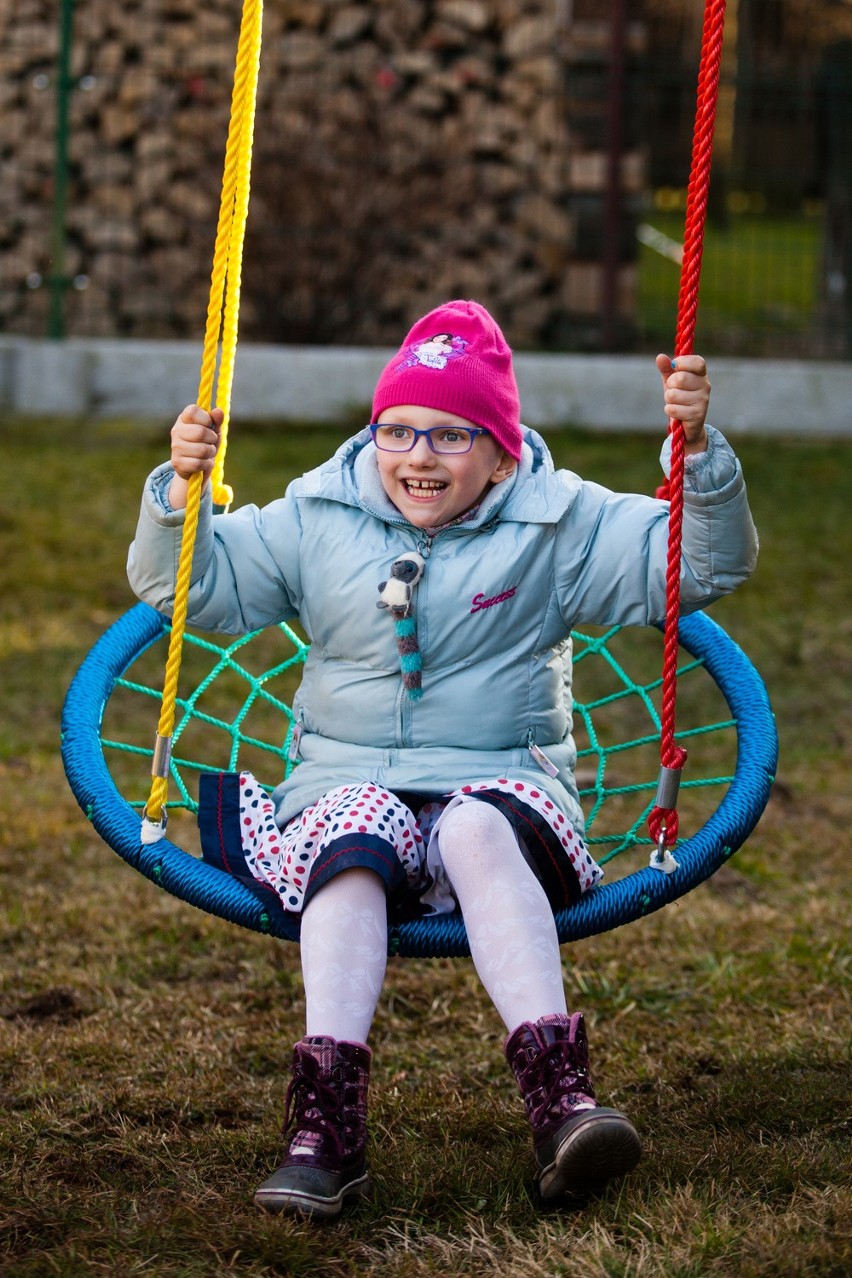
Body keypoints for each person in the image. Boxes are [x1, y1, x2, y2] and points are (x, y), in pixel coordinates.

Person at [128, 299, 758, 1220]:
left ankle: (560, 1097)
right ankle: (326, 1124)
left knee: (471, 825)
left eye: (452, 436)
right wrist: (181, 498)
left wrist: (697, 462)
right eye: (399, 430)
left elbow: (697, 566)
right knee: (349, 839)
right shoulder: (320, 513)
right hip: (347, 781)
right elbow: (196, 589)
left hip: (504, 781)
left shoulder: (561, 523)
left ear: (504, 450)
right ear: (373, 431)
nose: (418, 456)